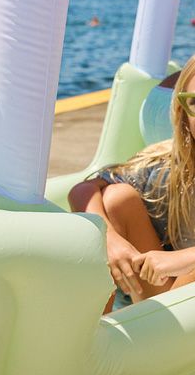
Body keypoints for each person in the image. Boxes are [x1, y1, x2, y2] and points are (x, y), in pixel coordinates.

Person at [68, 55, 195, 313]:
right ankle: (102, 328)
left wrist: (183, 259)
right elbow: (83, 190)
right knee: (116, 198)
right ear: (182, 113)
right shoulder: (168, 165)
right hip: (168, 302)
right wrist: (109, 238)